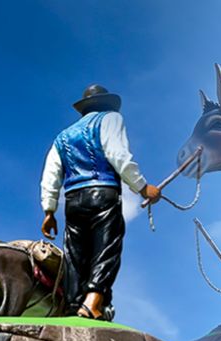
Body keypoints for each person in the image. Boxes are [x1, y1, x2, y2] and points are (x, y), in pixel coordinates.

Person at [39, 84, 161, 320]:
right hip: (103, 193)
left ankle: (74, 306)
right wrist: (143, 187)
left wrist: (49, 210)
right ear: (106, 103)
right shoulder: (111, 119)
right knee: (106, 248)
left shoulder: (62, 137)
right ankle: (93, 302)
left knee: (75, 255)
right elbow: (117, 154)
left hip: (73, 200)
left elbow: (50, 175)